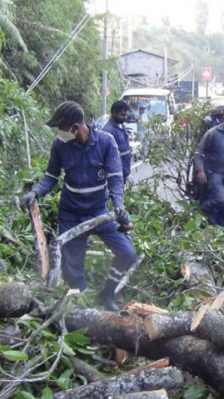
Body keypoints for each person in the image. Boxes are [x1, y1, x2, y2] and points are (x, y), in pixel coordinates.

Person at [20, 101, 137, 311]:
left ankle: (107, 293)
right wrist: (34, 193)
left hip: (99, 212)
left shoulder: (106, 142)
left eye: (61, 128)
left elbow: (116, 178)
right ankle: (81, 308)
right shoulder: (60, 145)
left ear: (74, 126)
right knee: (72, 271)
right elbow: (50, 177)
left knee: (127, 253)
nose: (59, 133)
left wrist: (118, 206)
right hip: (71, 214)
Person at [102, 100, 132, 180]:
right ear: (114, 113)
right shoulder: (109, 131)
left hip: (122, 174)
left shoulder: (120, 126)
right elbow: (113, 157)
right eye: (122, 115)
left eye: (126, 115)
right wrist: (126, 174)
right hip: (115, 175)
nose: (125, 118)